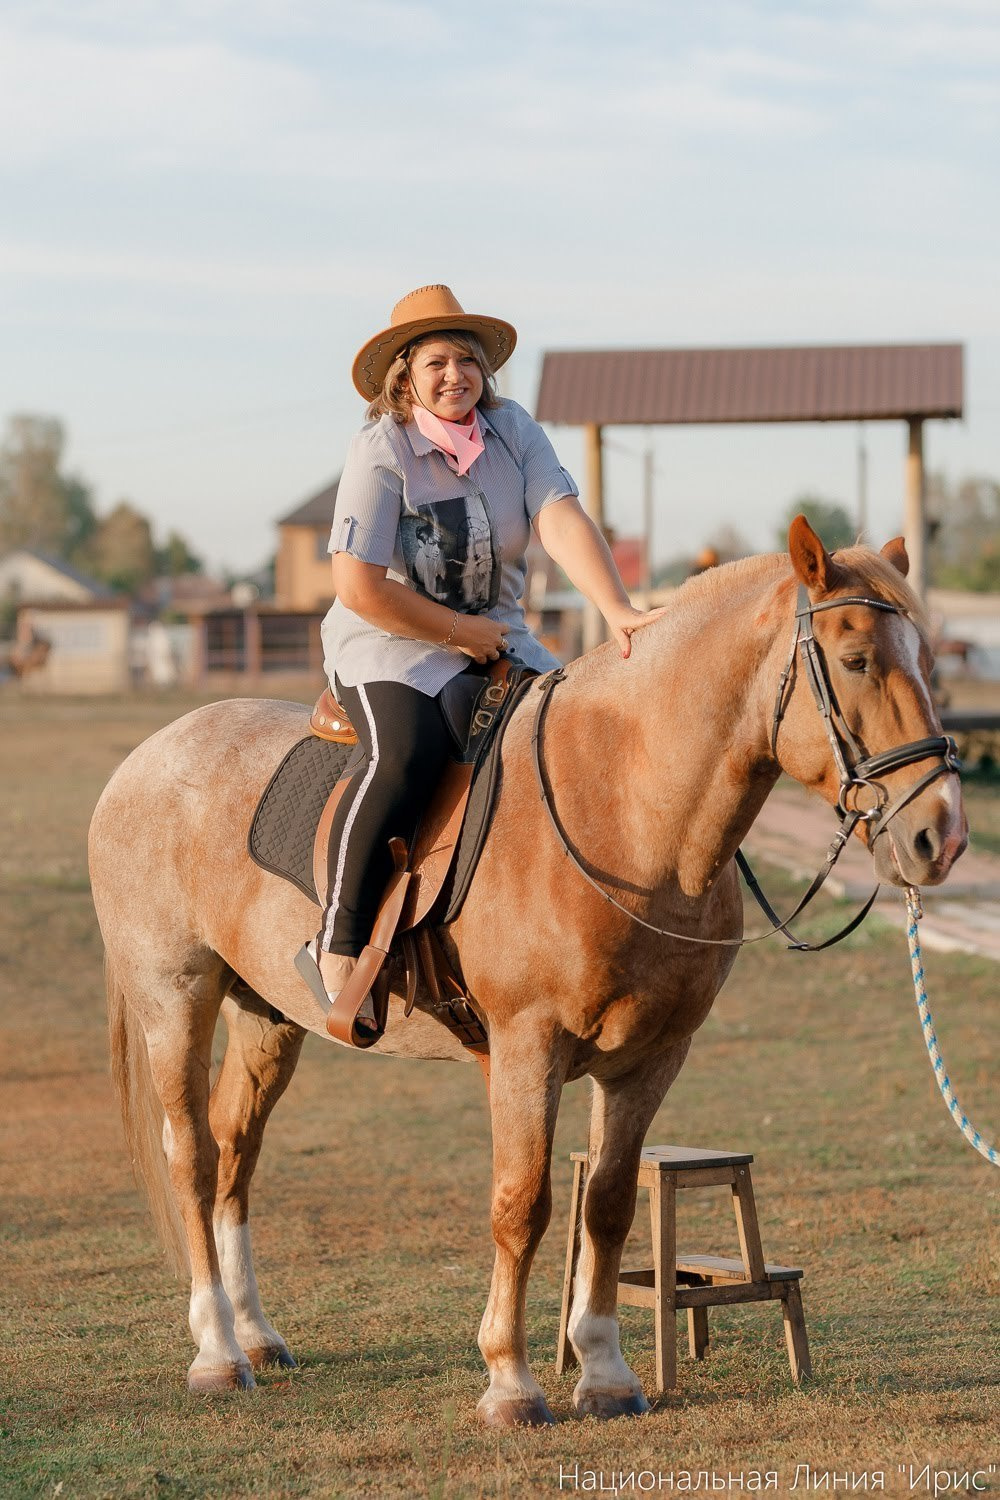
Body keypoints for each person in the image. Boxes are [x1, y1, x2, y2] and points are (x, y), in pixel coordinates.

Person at [296, 284, 666, 1042]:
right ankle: (336, 944)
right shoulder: (383, 449)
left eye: (466, 359)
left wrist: (618, 608)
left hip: (494, 636)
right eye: (436, 361)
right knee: (407, 753)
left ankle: (505, 934)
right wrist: (456, 630)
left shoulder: (513, 431)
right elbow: (357, 586)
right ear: (404, 376)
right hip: (389, 639)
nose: (454, 375)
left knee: (553, 744)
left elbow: (560, 516)